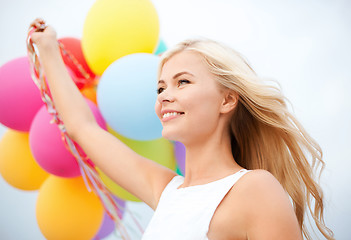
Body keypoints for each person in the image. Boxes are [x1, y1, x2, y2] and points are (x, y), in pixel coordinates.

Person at [29, 19, 334, 240]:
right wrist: (48, 50)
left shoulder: (256, 189)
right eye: (160, 87)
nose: (164, 95)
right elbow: (83, 128)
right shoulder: (165, 192)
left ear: (227, 100)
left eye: (182, 82)